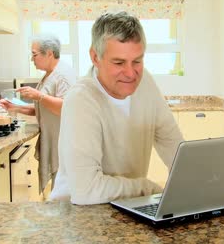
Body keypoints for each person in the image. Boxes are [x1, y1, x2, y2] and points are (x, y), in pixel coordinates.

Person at [50, 12, 183, 205]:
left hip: (126, 207)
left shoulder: (145, 82)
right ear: (95, 57)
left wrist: (195, 187)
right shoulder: (81, 100)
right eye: (119, 62)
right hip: (77, 216)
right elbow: (86, 191)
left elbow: (173, 144)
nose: (131, 73)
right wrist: (148, 189)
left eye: (137, 61)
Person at [0, 34, 76, 195]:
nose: (32, 59)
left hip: (64, 144)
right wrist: (15, 107)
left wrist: (38, 95)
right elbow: (44, 108)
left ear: (49, 53)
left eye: (34, 54)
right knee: (58, 193)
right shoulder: (49, 74)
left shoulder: (63, 75)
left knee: (63, 194)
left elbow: (66, 108)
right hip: (55, 141)